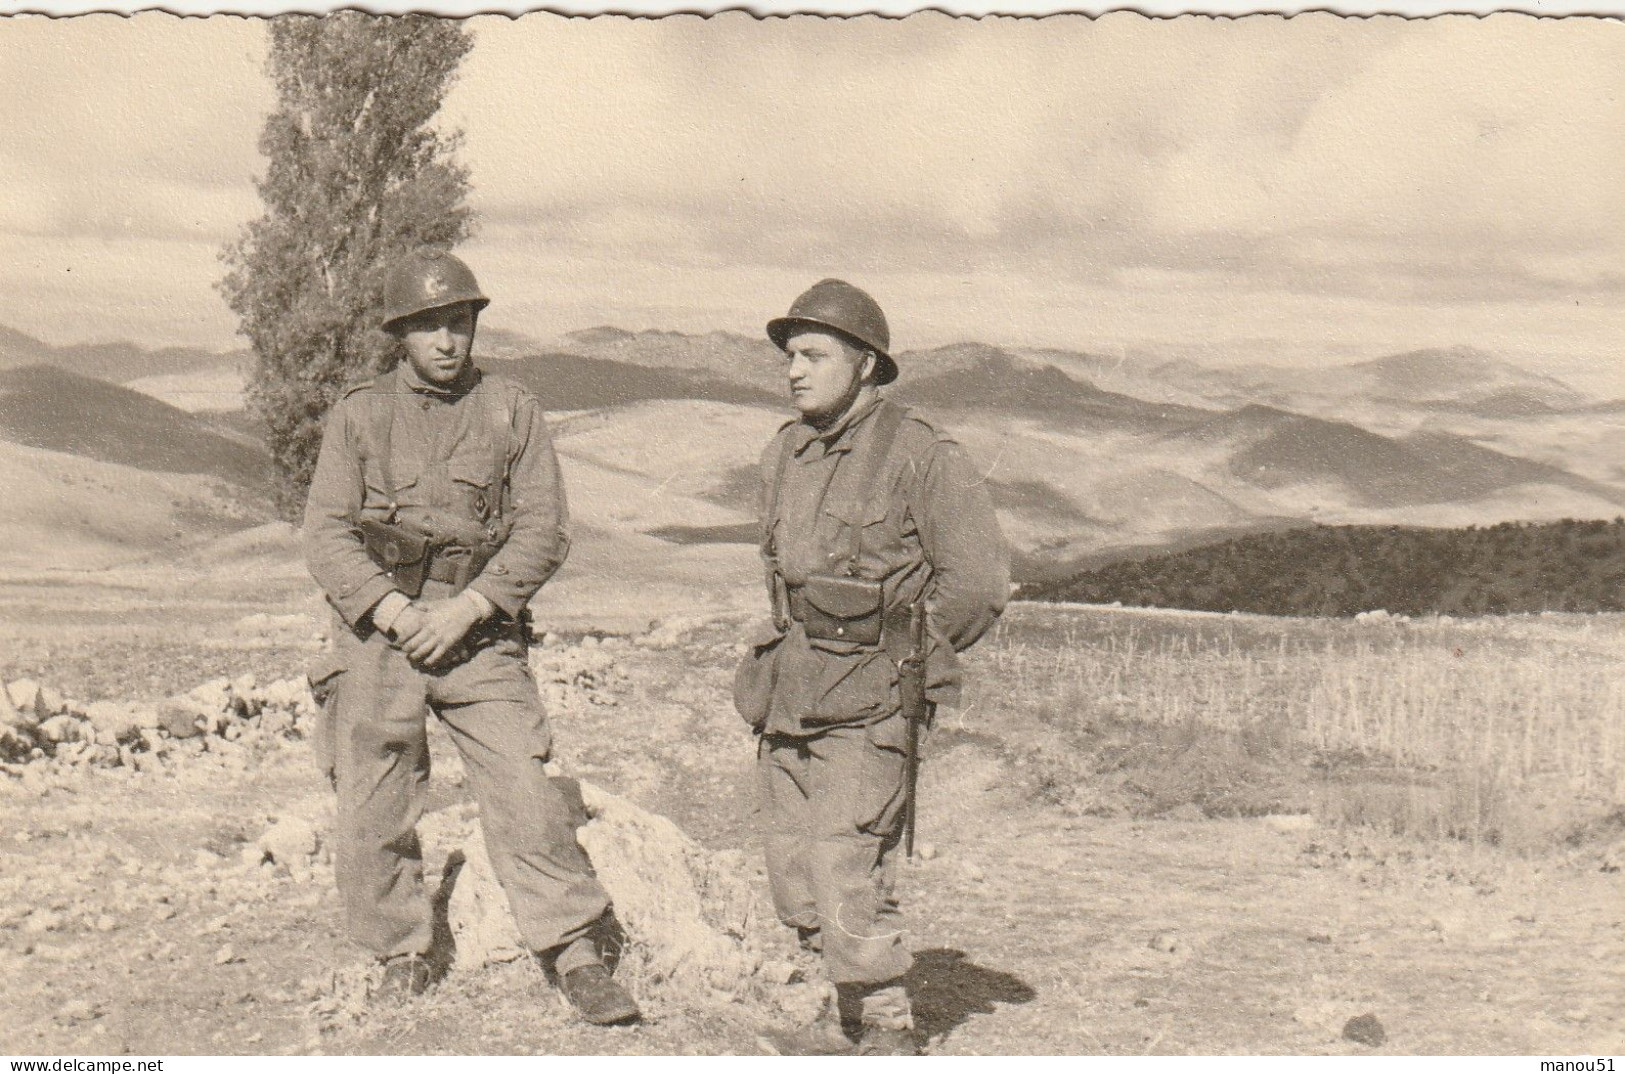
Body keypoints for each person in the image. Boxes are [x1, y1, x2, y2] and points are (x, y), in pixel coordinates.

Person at [302, 248, 639, 1025]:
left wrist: (470, 607)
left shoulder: (510, 410)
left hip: (478, 631)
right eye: (429, 327)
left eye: (459, 322)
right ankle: (401, 951)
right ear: (400, 334)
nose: (448, 342)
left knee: (524, 788)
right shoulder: (359, 413)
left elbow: (542, 530)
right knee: (374, 796)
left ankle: (574, 953)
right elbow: (324, 534)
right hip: (380, 631)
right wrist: (391, 611)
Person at [735, 279, 1010, 1054]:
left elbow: (979, 583)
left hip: (872, 695)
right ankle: (836, 1012)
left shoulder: (919, 452)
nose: (794, 370)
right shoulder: (783, 451)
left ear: (864, 364)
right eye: (790, 356)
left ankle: (885, 1026)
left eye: (813, 355)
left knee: (847, 855)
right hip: (790, 687)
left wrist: (906, 664)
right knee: (791, 858)